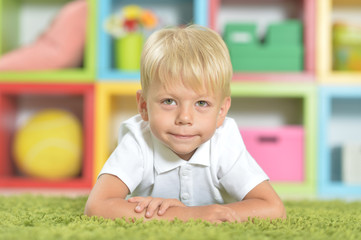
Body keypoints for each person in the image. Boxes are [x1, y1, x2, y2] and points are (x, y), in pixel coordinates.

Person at [84, 25, 286, 223]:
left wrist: (209, 212)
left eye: (201, 103)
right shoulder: (138, 140)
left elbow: (273, 207)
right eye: (169, 101)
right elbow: (97, 206)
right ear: (144, 106)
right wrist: (188, 215)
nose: (185, 117)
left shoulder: (224, 140)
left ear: (221, 112)